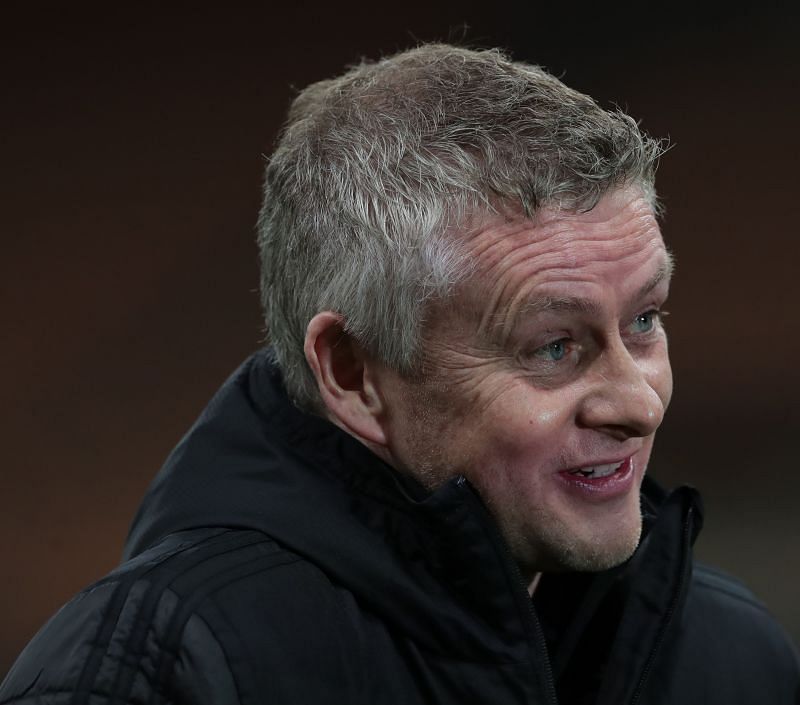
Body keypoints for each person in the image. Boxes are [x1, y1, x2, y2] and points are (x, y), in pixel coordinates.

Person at [2, 44, 798, 705]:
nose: (638, 403)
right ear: (352, 372)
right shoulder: (155, 674)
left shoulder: (737, 660)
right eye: (554, 346)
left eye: (645, 321)